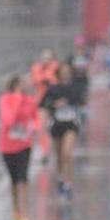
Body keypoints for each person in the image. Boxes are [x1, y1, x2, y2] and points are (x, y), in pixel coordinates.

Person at [0, 73, 38, 220]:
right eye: (19, 86)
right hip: (7, 145)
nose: (22, 89)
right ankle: (16, 211)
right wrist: (17, 99)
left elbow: (35, 118)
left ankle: (25, 213)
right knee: (14, 180)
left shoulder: (31, 101)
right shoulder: (5, 100)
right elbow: (8, 120)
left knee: (23, 178)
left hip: (24, 144)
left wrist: (35, 127)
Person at [39, 62, 84, 199]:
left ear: (71, 73)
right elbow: (43, 105)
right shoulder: (53, 89)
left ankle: (68, 184)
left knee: (67, 154)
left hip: (71, 124)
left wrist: (71, 104)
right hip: (57, 124)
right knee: (59, 156)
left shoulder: (75, 88)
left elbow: (81, 102)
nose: (65, 74)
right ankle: (60, 179)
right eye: (63, 71)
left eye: (68, 71)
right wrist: (54, 105)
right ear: (58, 73)